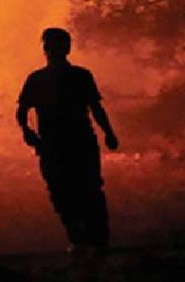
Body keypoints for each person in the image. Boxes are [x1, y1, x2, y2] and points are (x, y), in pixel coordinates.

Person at [17, 27, 119, 256]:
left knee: (85, 190)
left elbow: (96, 108)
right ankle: (82, 240)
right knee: (64, 192)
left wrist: (109, 133)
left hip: (75, 143)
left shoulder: (78, 76)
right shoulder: (40, 79)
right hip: (57, 145)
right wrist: (27, 131)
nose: (51, 49)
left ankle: (96, 241)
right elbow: (22, 111)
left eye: (54, 45)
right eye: (50, 45)